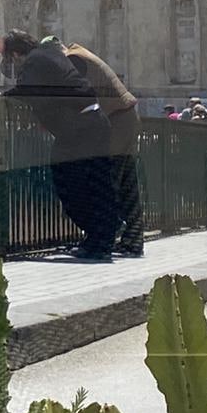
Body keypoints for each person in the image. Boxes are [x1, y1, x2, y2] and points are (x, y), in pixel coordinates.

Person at [0, 30, 119, 260]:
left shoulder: (35, 61)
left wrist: (4, 96)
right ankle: (100, 240)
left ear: (15, 54)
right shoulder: (48, 55)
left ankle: (99, 239)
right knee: (96, 184)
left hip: (80, 129)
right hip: (91, 123)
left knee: (69, 183)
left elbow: (29, 90)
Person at [62, 42, 144, 257]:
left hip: (114, 121)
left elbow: (76, 96)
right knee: (127, 184)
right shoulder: (82, 54)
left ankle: (101, 240)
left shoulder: (73, 60)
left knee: (105, 183)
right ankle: (133, 240)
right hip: (126, 117)